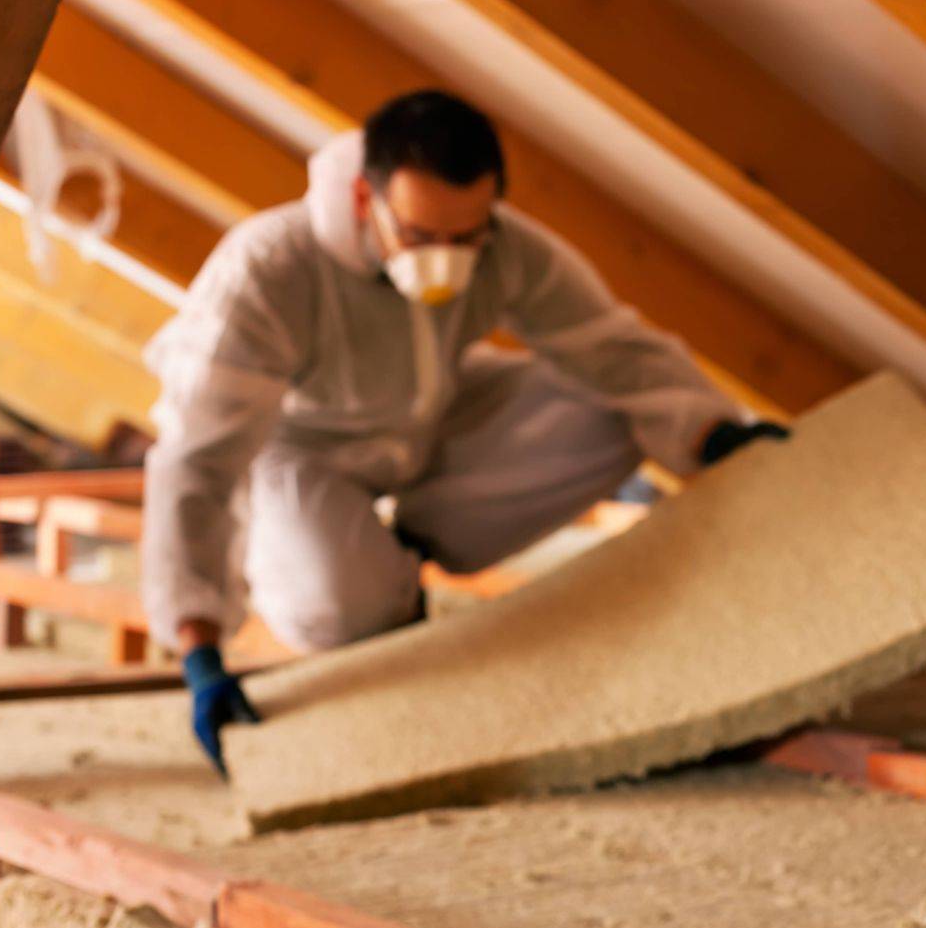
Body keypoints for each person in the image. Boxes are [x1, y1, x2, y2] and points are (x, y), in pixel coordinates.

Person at [141, 90, 787, 774]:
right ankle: (375, 587)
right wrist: (200, 646)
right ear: (365, 198)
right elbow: (198, 458)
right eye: (419, 237)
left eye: (464, 238)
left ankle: (407, 549)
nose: (443, 258)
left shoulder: (506, 248)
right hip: (301, 449)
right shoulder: (270, 268)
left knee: (614, 402)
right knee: (336, 601)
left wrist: (716, 434)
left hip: (432, 417)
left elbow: (615, 349)